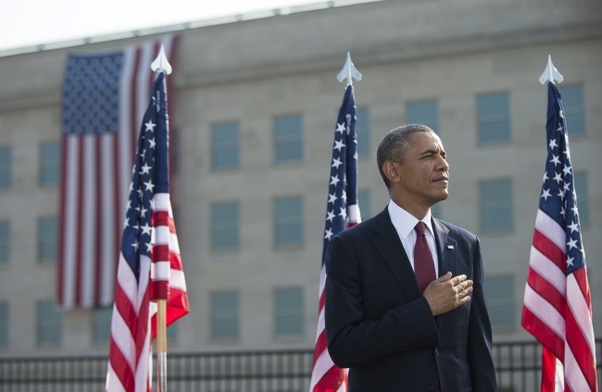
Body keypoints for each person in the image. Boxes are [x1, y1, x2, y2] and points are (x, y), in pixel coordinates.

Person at [324, 124, 497, 391]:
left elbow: (479, 350)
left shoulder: (466, 244)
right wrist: (425, 310)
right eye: (429, 156)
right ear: (393, 171)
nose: (443, 165)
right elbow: (344, 346)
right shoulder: (350, 247)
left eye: (443, 155)